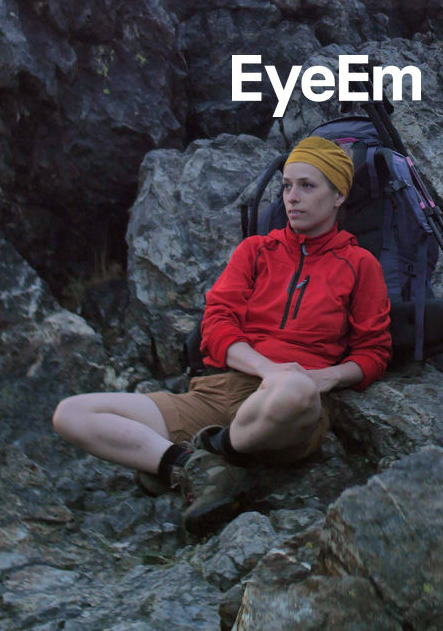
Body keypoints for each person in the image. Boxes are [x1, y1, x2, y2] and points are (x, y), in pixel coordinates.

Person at [52, 136, 391, 534]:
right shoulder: (255, 251)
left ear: (338, 197)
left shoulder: (359, 264)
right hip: (215, 393)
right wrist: (268, 369)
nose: (292, 197)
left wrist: (324, 377)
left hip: (289, 406)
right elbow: (216, 324)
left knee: (294, 390)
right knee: (71, 414)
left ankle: (206, 453)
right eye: (286, 186)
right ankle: (191, 466)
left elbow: (374, 352)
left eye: (307, 186)